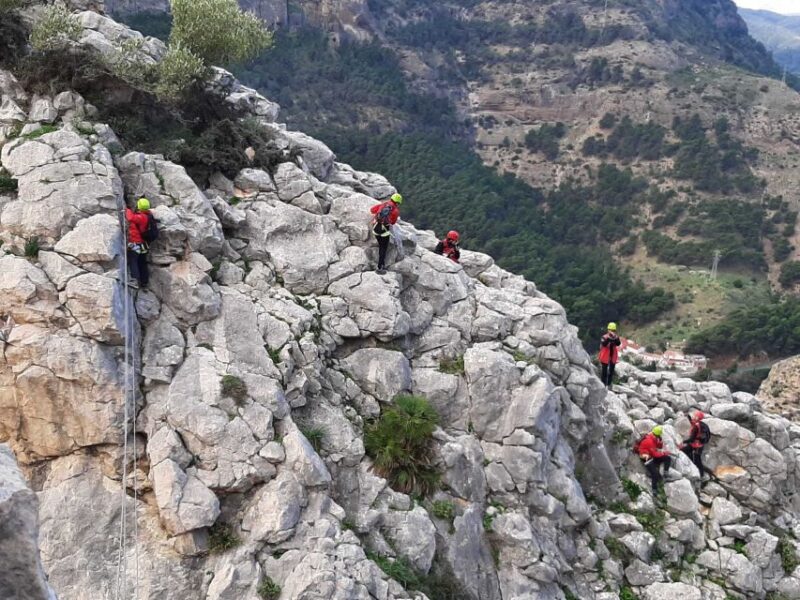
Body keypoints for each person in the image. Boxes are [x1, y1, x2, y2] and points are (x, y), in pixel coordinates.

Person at [369, 192, 402, 274]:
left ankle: (374, 262)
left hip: (376, 228)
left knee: (380, 245)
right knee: (383, 248)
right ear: (397, 202)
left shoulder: (384, 204)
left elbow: (372, 210)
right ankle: (380, 267)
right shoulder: (395, 211)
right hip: (384, 231)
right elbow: (393, 223)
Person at [637, 425, 672, 495]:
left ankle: (665, 473)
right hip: (646, 457)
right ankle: (654, 489)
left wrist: (660, 441)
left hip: (650, 455)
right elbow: (654, 454)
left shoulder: (653, 437)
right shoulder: (649, 441)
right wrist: (664, 453)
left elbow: (659, 446)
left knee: (668, 458)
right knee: (655, 474)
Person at [125, 197, 152, 287]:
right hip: (141, 243)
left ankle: (135, 280)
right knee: (141, 262)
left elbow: (130, 218)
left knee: (133, 260)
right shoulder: (147, 215)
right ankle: (144, 282)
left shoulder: (142, 217)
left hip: (136, 242)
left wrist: (127, 209)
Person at [680, 411, 712, 480]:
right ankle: (694, 467)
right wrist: (688, 417)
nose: (694, 416)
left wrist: (683, 441)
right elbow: (692, 422)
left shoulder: (696, 426)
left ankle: (701, 474)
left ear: (697, 417)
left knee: (697, 460)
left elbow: (691, 439)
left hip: (695, 445)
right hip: (699, 445)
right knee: (688, 453)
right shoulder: (701, 424)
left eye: (695, 416)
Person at [598, 322, 621, 388]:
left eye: (613, 330)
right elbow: (604, 344)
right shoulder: (604, 337)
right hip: (605, 356)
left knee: (611, 371)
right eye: (611, 330)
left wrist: (615, 338)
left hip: (612, 356)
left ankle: (609, 384)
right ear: (608, 330)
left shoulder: (616, 337)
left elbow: (618, 343)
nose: (612, 332)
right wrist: (609, 339)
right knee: (604, 371)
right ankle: (603, 384)